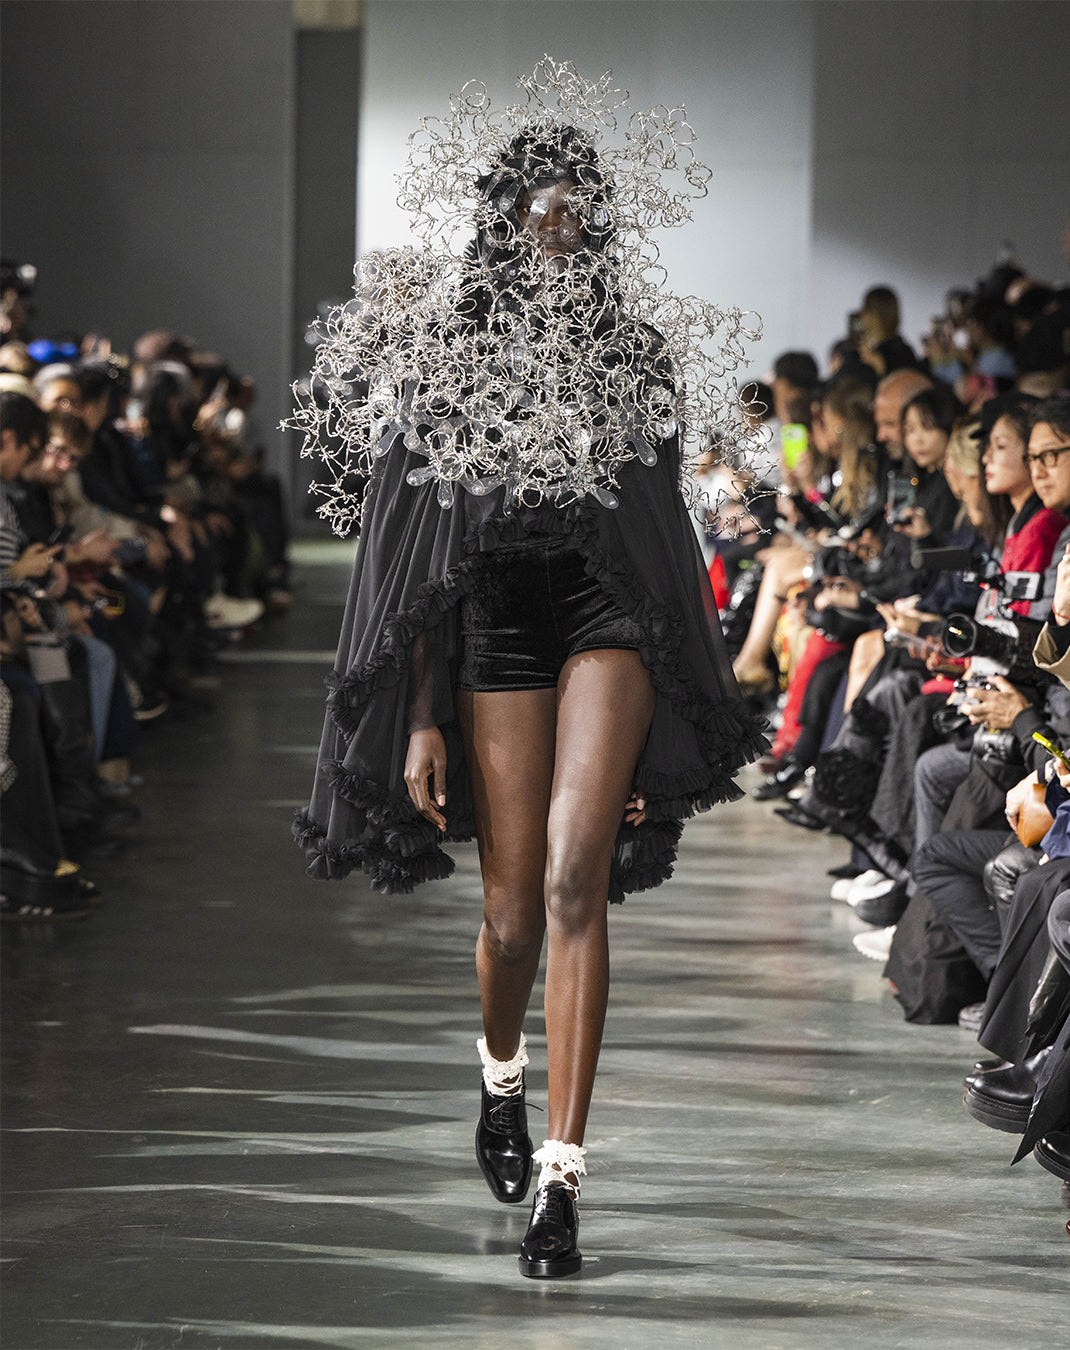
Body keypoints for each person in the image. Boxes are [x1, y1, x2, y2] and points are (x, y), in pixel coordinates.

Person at [291, 69, 765, 1280]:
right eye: (538, 212)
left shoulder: (635, 352)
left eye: (574, 213)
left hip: (609, 618)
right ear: (502, 221)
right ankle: (500, 1075)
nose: (557, 231)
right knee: (509, 919)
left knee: (572, 879)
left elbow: (662, 537)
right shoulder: (448, 353)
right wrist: (421, 712)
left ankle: (563, 1177)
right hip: (494, 625)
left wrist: (660, 730)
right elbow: (419, 545)